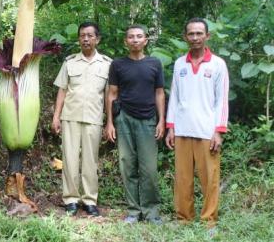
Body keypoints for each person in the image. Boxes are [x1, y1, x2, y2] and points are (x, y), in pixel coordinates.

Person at [165, 18, 229, 230]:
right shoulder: (179, 64)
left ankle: (209, 221)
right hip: (182, 129)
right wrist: (170, 127)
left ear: (207, 36)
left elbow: (222, 100)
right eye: (191, 34)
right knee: (183, 179)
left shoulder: (218, 64)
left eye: (199, 33)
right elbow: (174, 96)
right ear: (185, 37)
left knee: (209, 179)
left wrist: (219, 131)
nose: (195, 38)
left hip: (207, 132)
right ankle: (184, 218)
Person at [104, 24, 165, 225]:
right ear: (126, 41)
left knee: (148, 168)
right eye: (131, 37)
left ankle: (151, 212)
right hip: (124, 119)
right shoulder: (118, 64)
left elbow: (159, 93)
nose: (135, 40)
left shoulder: (155, 64)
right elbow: (112, 93)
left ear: (146, 40)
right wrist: (110, 123)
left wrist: (161, 121)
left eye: (139, 36)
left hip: (148, 119)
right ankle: (133, 211)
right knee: (127, 165)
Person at [52, 22, 111, 217]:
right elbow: (62, 90)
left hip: (94, 118)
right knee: (69, 159)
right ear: (79, 39)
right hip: (70, 116)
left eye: (89, 35)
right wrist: (56, 117)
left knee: (90, 160)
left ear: (97, 39)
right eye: (82, 36)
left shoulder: (107, 64)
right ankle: (70, 199)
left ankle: (89, 200)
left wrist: (109, 121)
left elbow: (109, 95)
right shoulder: (69, 62)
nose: (85, 39)